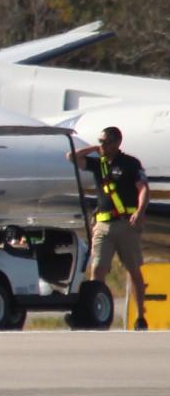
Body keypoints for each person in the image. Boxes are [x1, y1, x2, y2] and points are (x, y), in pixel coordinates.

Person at [68, 126, 151, 329]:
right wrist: (93, 148)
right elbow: (71, 157)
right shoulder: (99, 164)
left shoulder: (130, 164)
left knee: (133, 270)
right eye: (101, 141)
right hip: (103, 226)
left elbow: (143, 188)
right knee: (97, 269)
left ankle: (141, 316)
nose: (102, 145)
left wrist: (139, 211)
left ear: (117, 143)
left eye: (106, 142)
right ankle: (97, 314)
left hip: (126, 225)